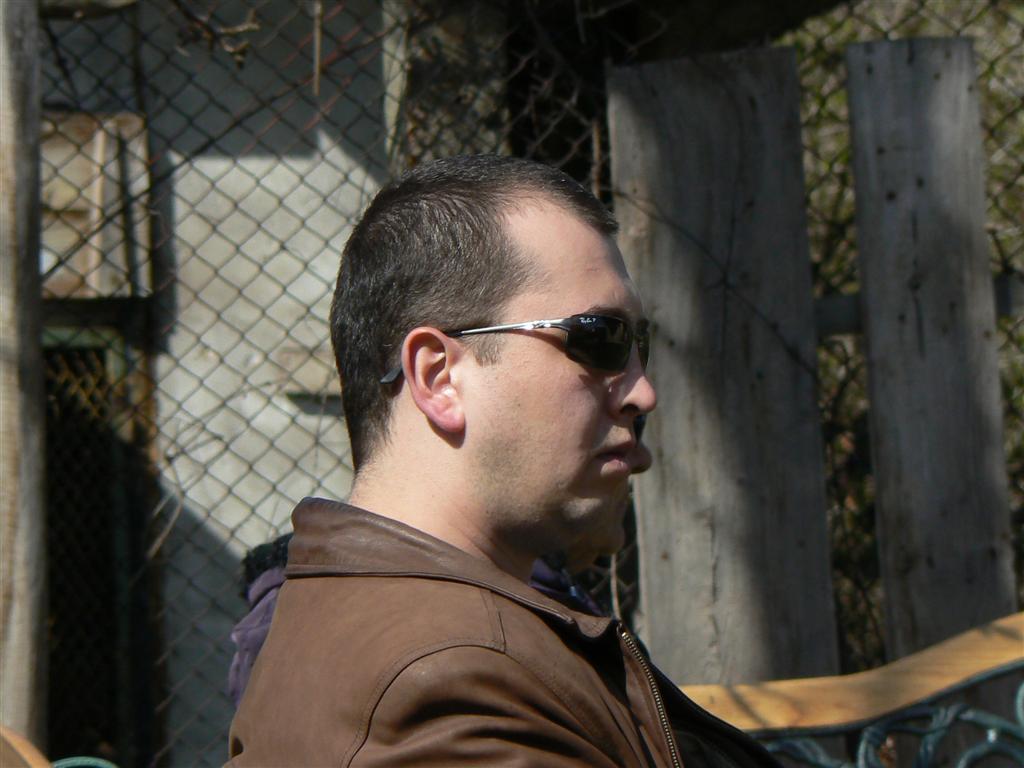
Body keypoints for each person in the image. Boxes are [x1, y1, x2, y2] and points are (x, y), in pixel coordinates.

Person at [227, 155, 780, 767]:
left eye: (638, 345)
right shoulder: (442, 690)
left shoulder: (381, 628)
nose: (643, 392)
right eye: (600, 338)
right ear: (439, 377)